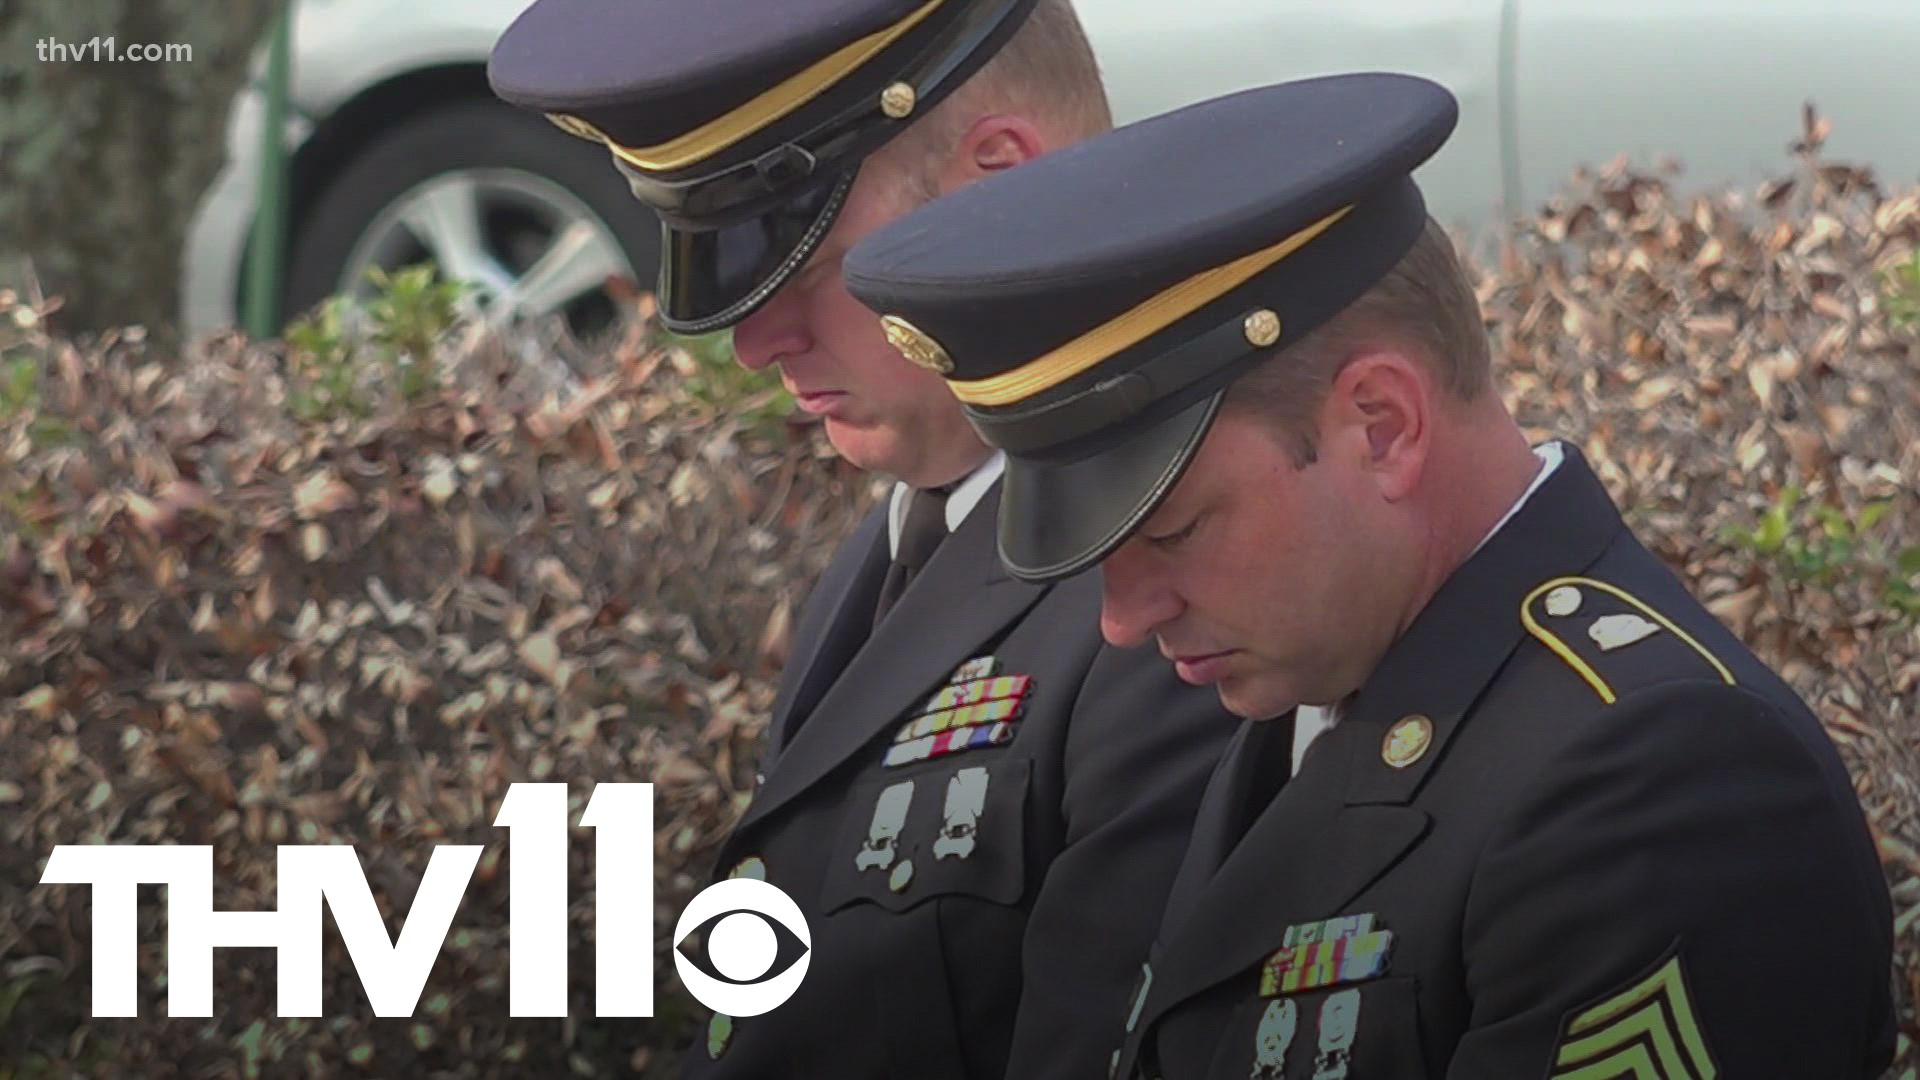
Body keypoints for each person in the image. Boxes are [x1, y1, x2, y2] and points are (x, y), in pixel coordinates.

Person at [841, 72, 1897, 1079]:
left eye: (1171, 533)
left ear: (1380, 424)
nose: (1121, 621)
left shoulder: (1668, 788)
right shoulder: (1318, 695)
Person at [487, 2, 1239, 1077]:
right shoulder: (894, 550)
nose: (755, 341)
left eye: (808, 268)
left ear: (1004, 183)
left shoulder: (1170, 597)